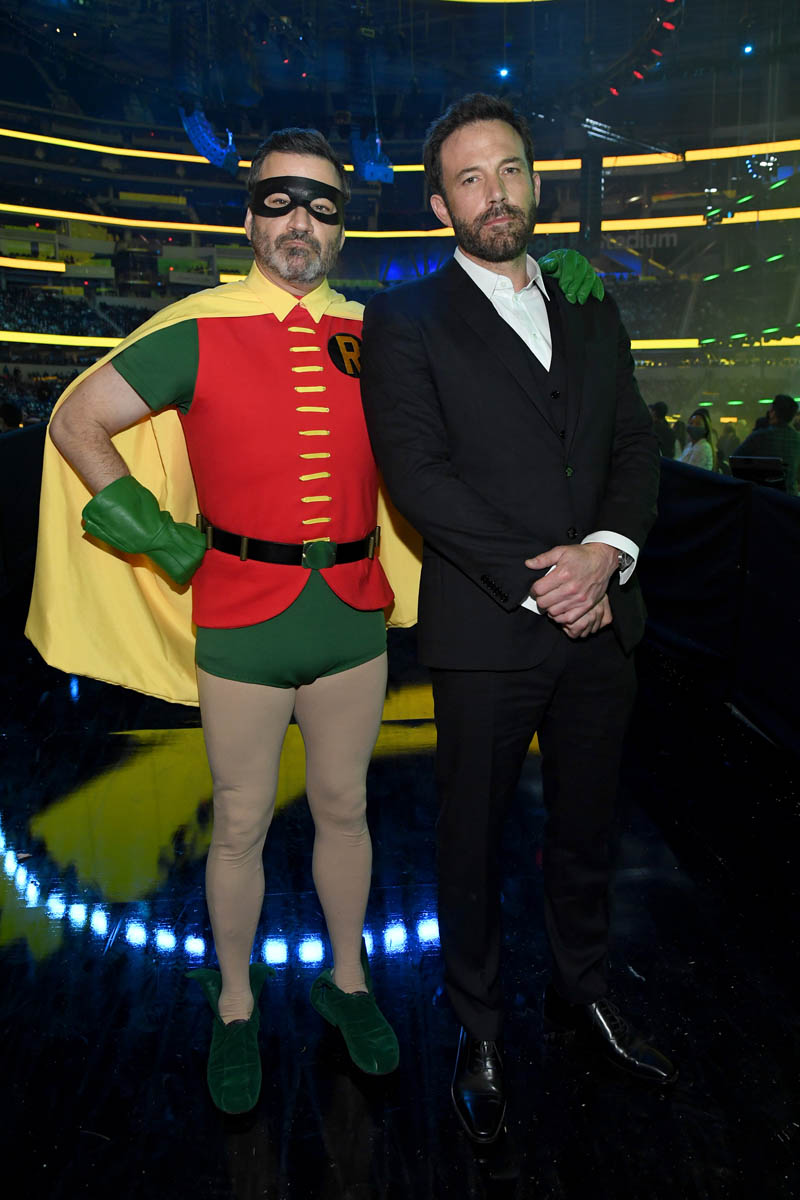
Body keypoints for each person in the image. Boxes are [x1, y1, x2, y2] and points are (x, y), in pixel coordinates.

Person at [29, 124, 593, 1116]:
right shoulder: (196, 329)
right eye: (279, 200)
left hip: (352, 617)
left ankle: (348, 983)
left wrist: (555, 292)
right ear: (249, 217)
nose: (300, 220)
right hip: (239, 619)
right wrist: (158, 537)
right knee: (240, 822)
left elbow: (484, 354)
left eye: (322, 205)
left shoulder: (384, 329)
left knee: (345, 809)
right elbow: (77, 420)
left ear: (342, 228)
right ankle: (235, 1003)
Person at [361, 93, 674, 1145]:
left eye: (508, 170)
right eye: (468, 179)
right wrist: (548, 580)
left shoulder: (586, 297)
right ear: (439, 204)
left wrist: (606, 553)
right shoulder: (404, 317)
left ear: (533, 181)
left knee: (586, 830)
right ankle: (478, 1027)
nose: (493, 193)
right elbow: (419, 478)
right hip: (490, 629)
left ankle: (582, 995)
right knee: (470, 843)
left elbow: (633, 444)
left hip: (603, 620)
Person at [732, 393, 800, 495]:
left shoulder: (758, 437)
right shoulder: (797, 439)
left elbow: (735, 460)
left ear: (773, 413)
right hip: (790, 497)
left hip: (764, 496)